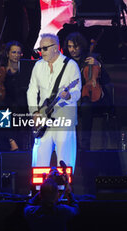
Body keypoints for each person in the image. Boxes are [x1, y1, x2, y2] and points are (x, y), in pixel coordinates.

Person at [27, 33, 81, 172]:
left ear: (55, 48)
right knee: (39, 158)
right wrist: (34, 113)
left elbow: (77, 91)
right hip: (44, 118)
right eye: (40, 49)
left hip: (64, 118)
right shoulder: (38, 66)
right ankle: (39, 191)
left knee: (64, 159)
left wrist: (68, 96)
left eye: (44, 48)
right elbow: (32, 91)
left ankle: (65, 191)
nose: (41, 52)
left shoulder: (70, 66)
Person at [63, 32, 113, 151]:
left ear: (81, 46)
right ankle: (71, 143)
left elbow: (106, 79)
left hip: (92, 97)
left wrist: (98, 65)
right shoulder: (66, 62)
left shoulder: (92, 58)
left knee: (86, 107)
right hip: (74, 96)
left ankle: (85, 143)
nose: (72, 50)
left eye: (75, 46)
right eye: (70, 47)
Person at [0, 40, 29, 151]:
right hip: (4, 109)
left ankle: (13, 141)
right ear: (8, 54)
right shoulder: (1, 70)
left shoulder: (25, 70)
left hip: (20, 109)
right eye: (13, 52)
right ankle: (11, 140)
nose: (16, 55)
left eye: (19, 53)